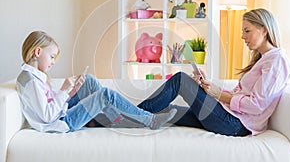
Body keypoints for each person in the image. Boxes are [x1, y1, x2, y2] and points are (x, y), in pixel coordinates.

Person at [138, 8, 290, 136]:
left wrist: (218, 94)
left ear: (264, 29)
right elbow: (241, 96)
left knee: (181, 80)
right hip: (228, 116)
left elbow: (256, 105)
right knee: (163, 109)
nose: (242, 36)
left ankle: (128, 116)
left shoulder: (276, 61)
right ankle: (128, 115)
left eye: (247, 30)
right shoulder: (265, 59)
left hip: (236, 124)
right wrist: (210, 89)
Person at [16, 31, 177, 133]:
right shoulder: (29, 81)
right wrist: (64, 91)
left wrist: (70, 92)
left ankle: (118, 120)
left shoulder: (35, 77)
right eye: (52, 57)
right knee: (105, 95)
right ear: (38, 52)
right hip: (62, 122)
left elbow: (50, 105)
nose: (53, 62)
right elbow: (47, 116)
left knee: (90, 81)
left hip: (61, 114)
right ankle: (151, 120)